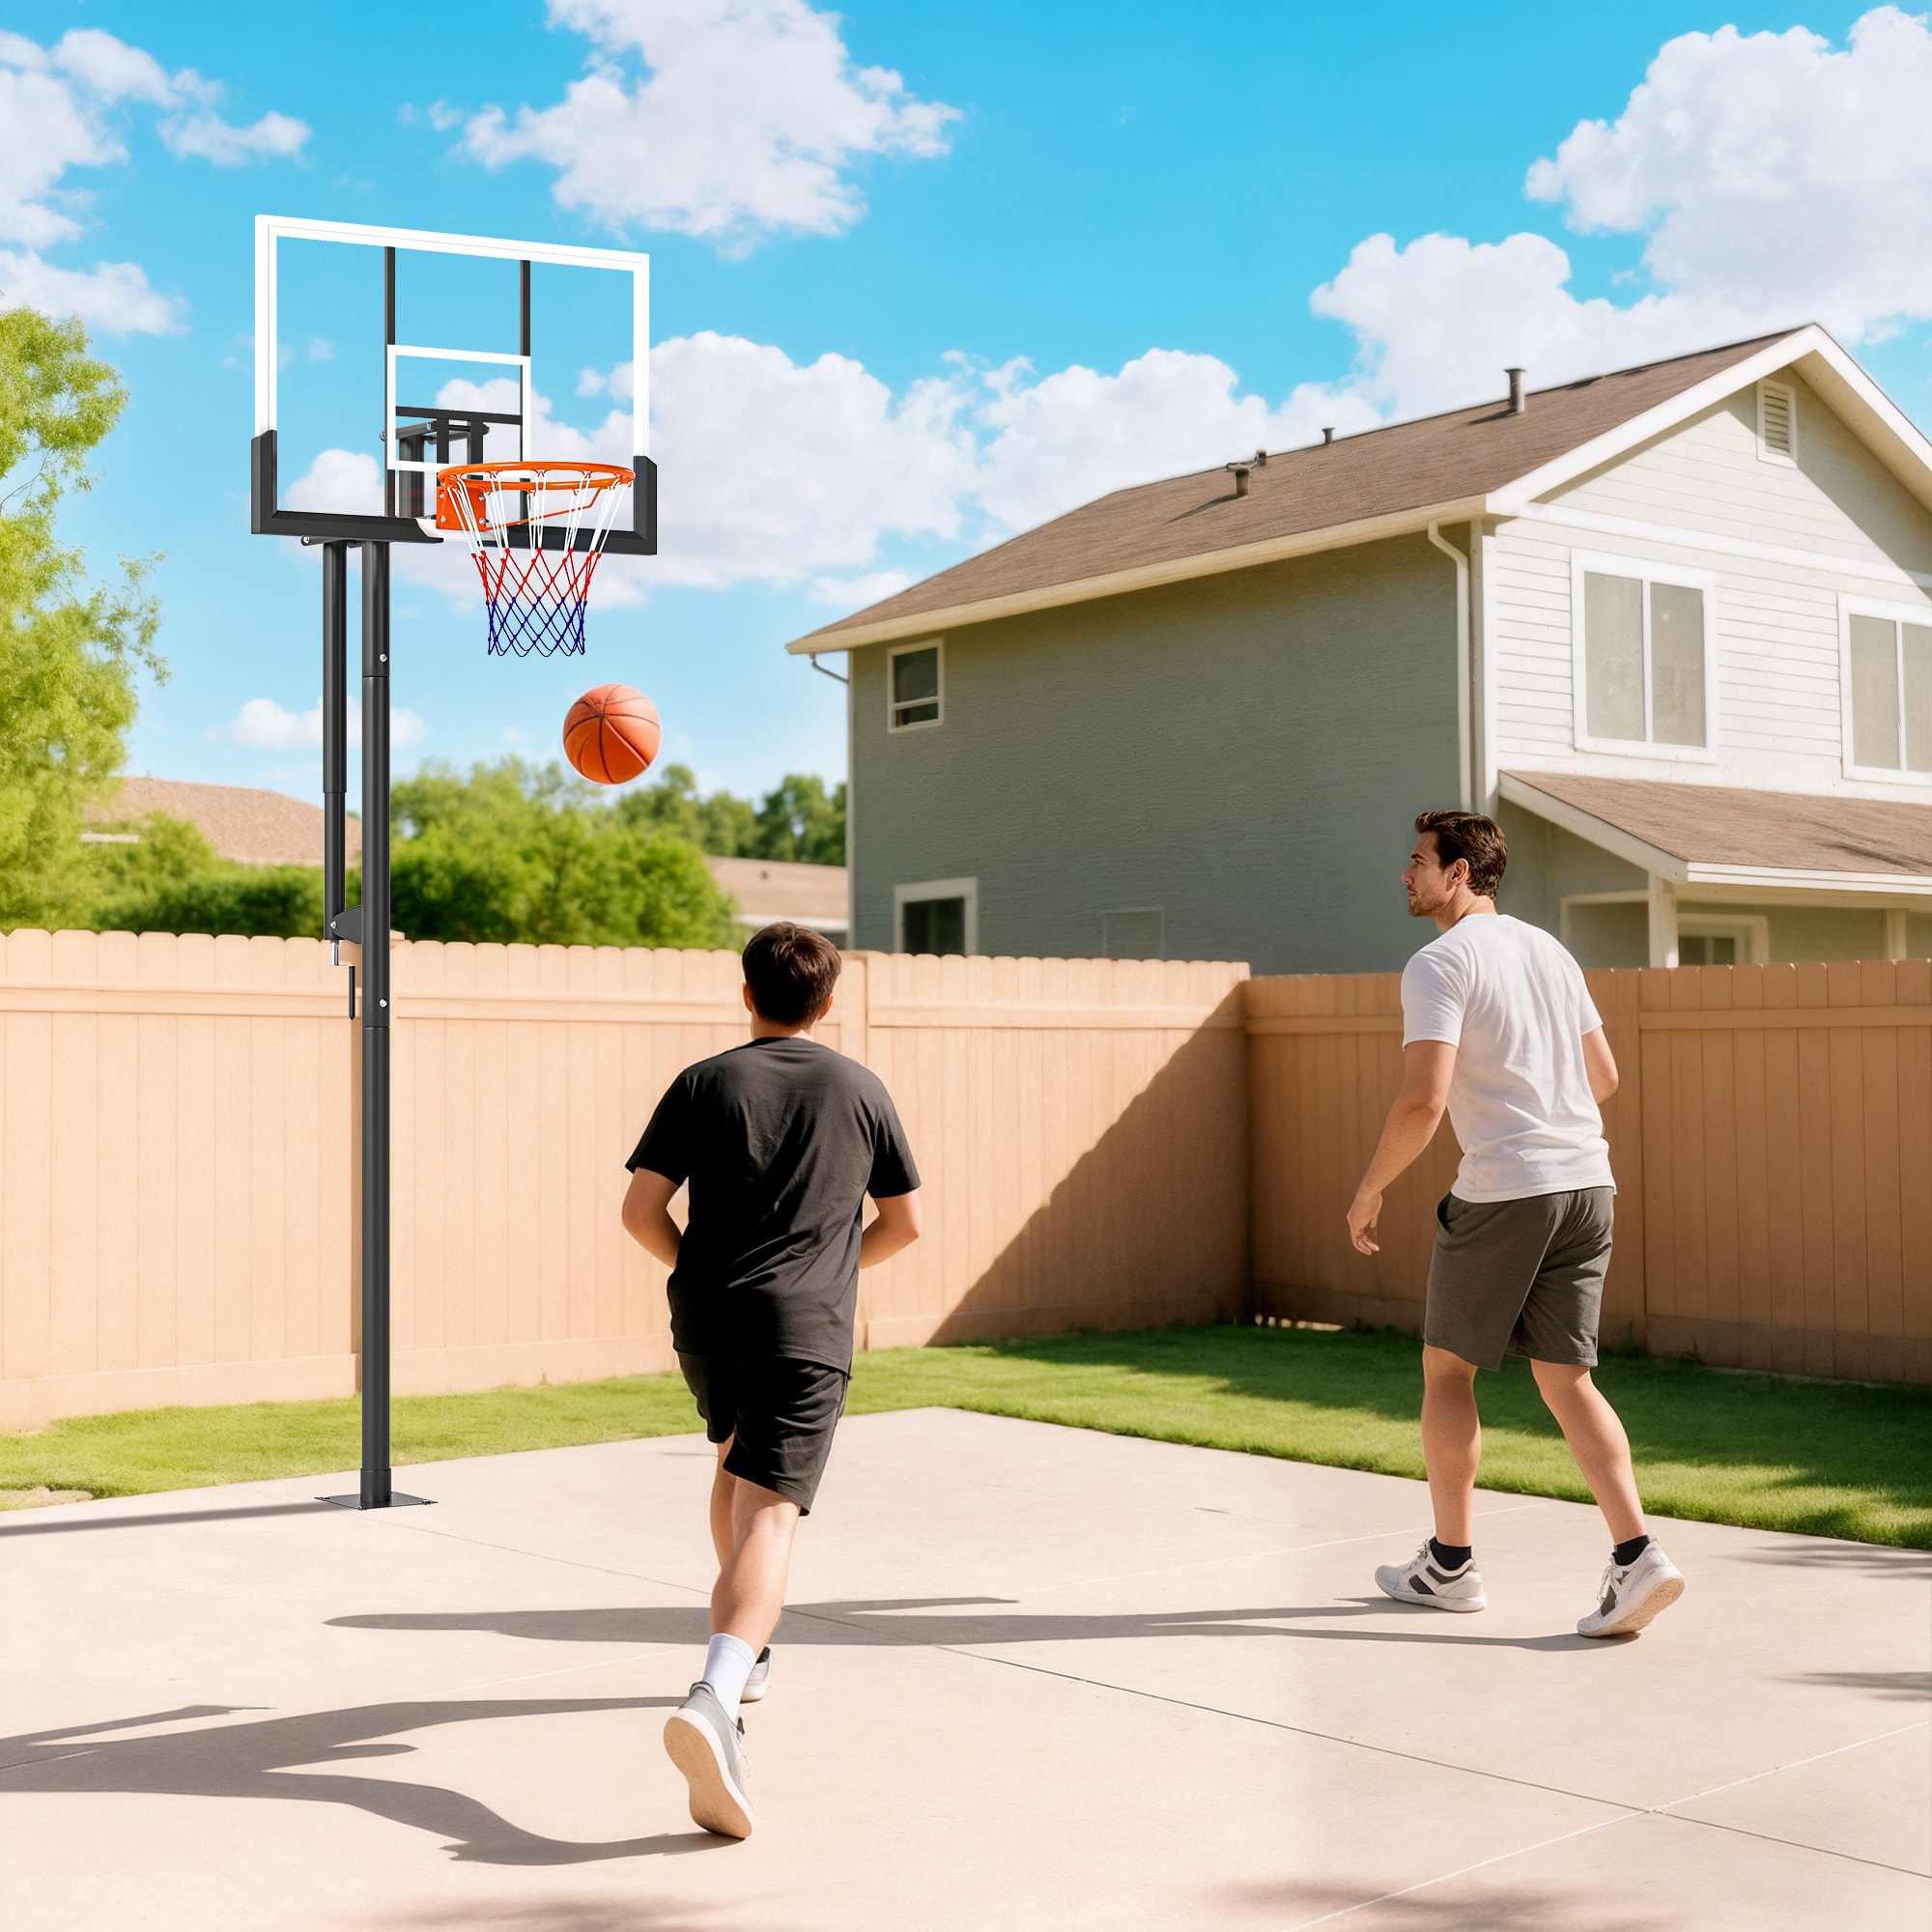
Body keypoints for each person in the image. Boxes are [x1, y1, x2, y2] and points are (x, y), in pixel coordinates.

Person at [1347, 811, 1685, 1639]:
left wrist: (1368, 1191)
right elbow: (1601, 1076)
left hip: (1506, 1192)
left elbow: (1424, 1099)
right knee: (1567, 1379)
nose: (1407, 875)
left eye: (1419, 861)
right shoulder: (1550, 950)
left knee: (1448, 1374)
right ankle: (1638, 1555)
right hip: (1588, 1186)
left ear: (1459, 873)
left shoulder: (1438, 963)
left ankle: (1450, 1568)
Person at [621, 923, 923, 1837]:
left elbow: (640, 1212)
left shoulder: (704, 1082)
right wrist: (826, 1277)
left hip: (707, 1322)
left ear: (744, 994)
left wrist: (698, 1274)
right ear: (827, 1003)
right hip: (805, 1329)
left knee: (732, 1465)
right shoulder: (860, 1088)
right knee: (771, 1511)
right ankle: (716, 1692)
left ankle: (743, 1653)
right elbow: (904, 1225)